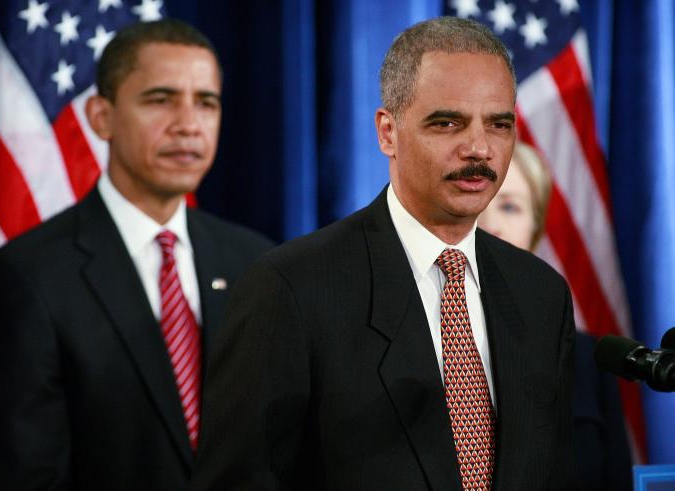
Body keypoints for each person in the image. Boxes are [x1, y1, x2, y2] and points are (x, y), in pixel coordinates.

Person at [193, 17, 574, 490]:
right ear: (387, 132)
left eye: (499, 124)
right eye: (448, 122)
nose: (479, 148)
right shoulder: (291, 289)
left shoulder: (541, 293)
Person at [0, 19, 273, 490]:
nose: (188, 124)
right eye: (160, 100)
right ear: (100, 117)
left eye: (205, 103)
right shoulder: (26, 277)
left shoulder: (257, 263)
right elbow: (22, 475)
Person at [477, 142, 633, 491]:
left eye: (510, 207)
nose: (491, 224)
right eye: (477, 204)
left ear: (535, 231)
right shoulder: (420, 348)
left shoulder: (590, 361)